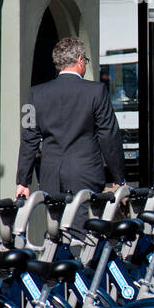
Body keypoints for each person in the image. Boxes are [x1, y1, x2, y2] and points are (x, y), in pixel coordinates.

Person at [16, 37, 127, 201]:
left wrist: (22, 182)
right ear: (80, 60)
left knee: (57, 224)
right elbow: (109, 135)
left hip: (50, 177)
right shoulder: (97, 92)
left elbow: (28, 139)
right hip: (85, 174)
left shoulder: (35, 94)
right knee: (80, 225)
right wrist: (119, 177)